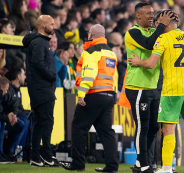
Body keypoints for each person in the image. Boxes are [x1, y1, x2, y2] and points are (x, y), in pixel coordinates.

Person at [128, 10, 184, 173]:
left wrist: (138, 61)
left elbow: (150, 63)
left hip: (172, 89)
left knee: (168, 129)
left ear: (161, 23)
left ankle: (166, 168)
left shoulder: (163, 38)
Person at [122, 2, 174, 173]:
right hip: (137, 87)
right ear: (138, 15)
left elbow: (166, 39)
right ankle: (143, 163)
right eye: (149, 14)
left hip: (153, 87)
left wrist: (168, 25)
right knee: (142, 126)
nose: (152, 17)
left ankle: (142, 162)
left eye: (153, 14)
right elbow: (148, 44)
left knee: (153, 127)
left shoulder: (154, 31)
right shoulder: (132, 33)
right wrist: (160, 27)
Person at [60, 24, 118, 173]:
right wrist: (114, 94)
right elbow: (114, 76)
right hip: (109, 95)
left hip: (94, 94)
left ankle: (78, 163)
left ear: (91, 35)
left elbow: (89, 74)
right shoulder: (111, 53)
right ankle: (112, 166)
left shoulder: (90, 51)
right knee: (106, 131)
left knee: (79, 127)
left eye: (88, 33)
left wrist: (81, 93)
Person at [22, 15, 58, 167]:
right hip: (42, 89)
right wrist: (51, 75)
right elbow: (38, 63)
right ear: (43, 25)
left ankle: (35, 157)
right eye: (51, 24)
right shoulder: (39, 42)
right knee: (47, 122)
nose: (54, 26)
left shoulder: (40, 42)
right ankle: (47, 156)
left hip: (39, 88)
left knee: (39, 124)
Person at [4, 66, 29, 159]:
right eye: (23, 74)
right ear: (18, 76)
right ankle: (12, 150)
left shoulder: (18, 91)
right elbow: (8, 107)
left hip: (15, 115)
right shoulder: (9, 89)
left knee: (29, 119)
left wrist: (28, 112)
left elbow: (20, 108)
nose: (25, 77)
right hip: (8, 117)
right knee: (23, 122)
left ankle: (22, 150)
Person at [0, 76, 17, 164]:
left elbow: (14, 103)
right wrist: (7, 118)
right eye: (5, 89)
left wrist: (12, 115)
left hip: (5, 116)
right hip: (3, 117)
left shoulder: (3, 96)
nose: (6, 92)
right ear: (0, 88)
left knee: (21, 124)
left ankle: (4, 153)